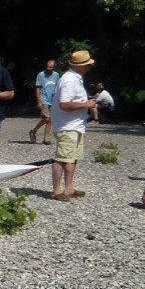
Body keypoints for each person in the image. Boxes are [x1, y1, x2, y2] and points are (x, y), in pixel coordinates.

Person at [49, 49, 98, 201]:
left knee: (73, 157)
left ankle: (68, 187)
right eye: (87, 65)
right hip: (67, 125)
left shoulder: (76, 78)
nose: (88, 68)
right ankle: (56, 190)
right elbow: (65, 104)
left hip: (75, 125)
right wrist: (86, 105)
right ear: (80, 65)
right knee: (62, 158)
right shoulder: (69, 80)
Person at [32, 58, 59, 144]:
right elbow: (37, 88)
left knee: (50, 120)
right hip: (44, 98)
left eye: (51, 67)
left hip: (53, 99)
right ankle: (34, 131)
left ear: (54, 68)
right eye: (47, 67)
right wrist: (39, 101)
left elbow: (58, 87)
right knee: (46, 118)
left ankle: (46, 139)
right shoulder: (41, 75)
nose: (48, 69)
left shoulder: (56, 75)